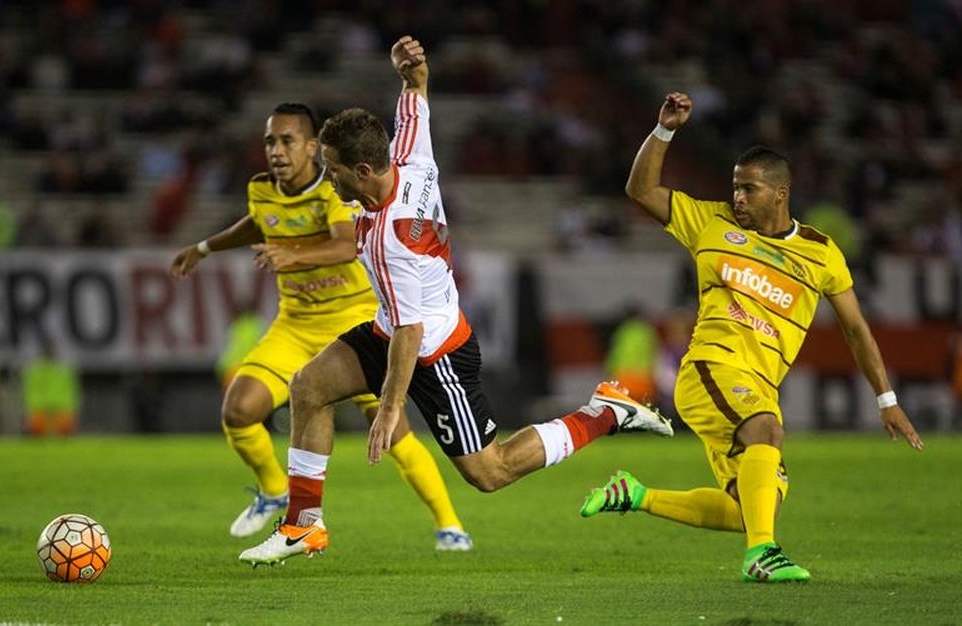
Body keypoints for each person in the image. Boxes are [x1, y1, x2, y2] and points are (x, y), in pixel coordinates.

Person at [238, 36, 673, 566]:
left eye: (333, 169)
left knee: (491, 473)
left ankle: (604, 412)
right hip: (396, 329)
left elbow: (410, 333)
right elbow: (417, 95)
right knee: (308, 387)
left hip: (438, 352)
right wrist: (410, 71)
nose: (328, 178)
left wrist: (390, 408)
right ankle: (303, 525)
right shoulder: (408, 157)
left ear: (363, 173)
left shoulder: (388, 239)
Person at [579, 92, 925, 583]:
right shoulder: (710, 221)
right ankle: (762, 556)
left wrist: (886, 398)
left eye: (749, 189)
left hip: (760, 384)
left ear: (780, 194)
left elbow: (856, 328)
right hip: (710, 370)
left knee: (749, 508)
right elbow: (641, 190)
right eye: (735, 187)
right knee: (766, 431)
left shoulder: (822, 254)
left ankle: (636, 495)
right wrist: (664, 131)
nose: (737, 197)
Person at [170, 100, 473, 551]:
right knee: (239, 410)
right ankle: (277, 492)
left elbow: (346, 244)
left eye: (287, 140)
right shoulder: (263, 190)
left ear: (312, 147)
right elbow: (261, 223)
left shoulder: (339, 189)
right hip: (295, 326)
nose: (276, 150)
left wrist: (292, 255)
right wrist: (205, 246)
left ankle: (450, 524)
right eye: (270, 140)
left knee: (394, 432)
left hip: (352, 320)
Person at [22, 340, 81, 436]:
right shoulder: (34, 371)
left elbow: (73, 392)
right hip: (40, 409)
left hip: (61, 408)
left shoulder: (64, 370)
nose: (49, 352)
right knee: (35, 424)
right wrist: (31, 411)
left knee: (66, 423)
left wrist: (72, 410)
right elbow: (29, 393)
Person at [603, 304, 658, 401]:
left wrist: (609, 372)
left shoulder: (622, 331)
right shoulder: (647, 331)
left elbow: (615, 354)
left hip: (623, 377)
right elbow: (654, 354)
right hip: (643, 378)